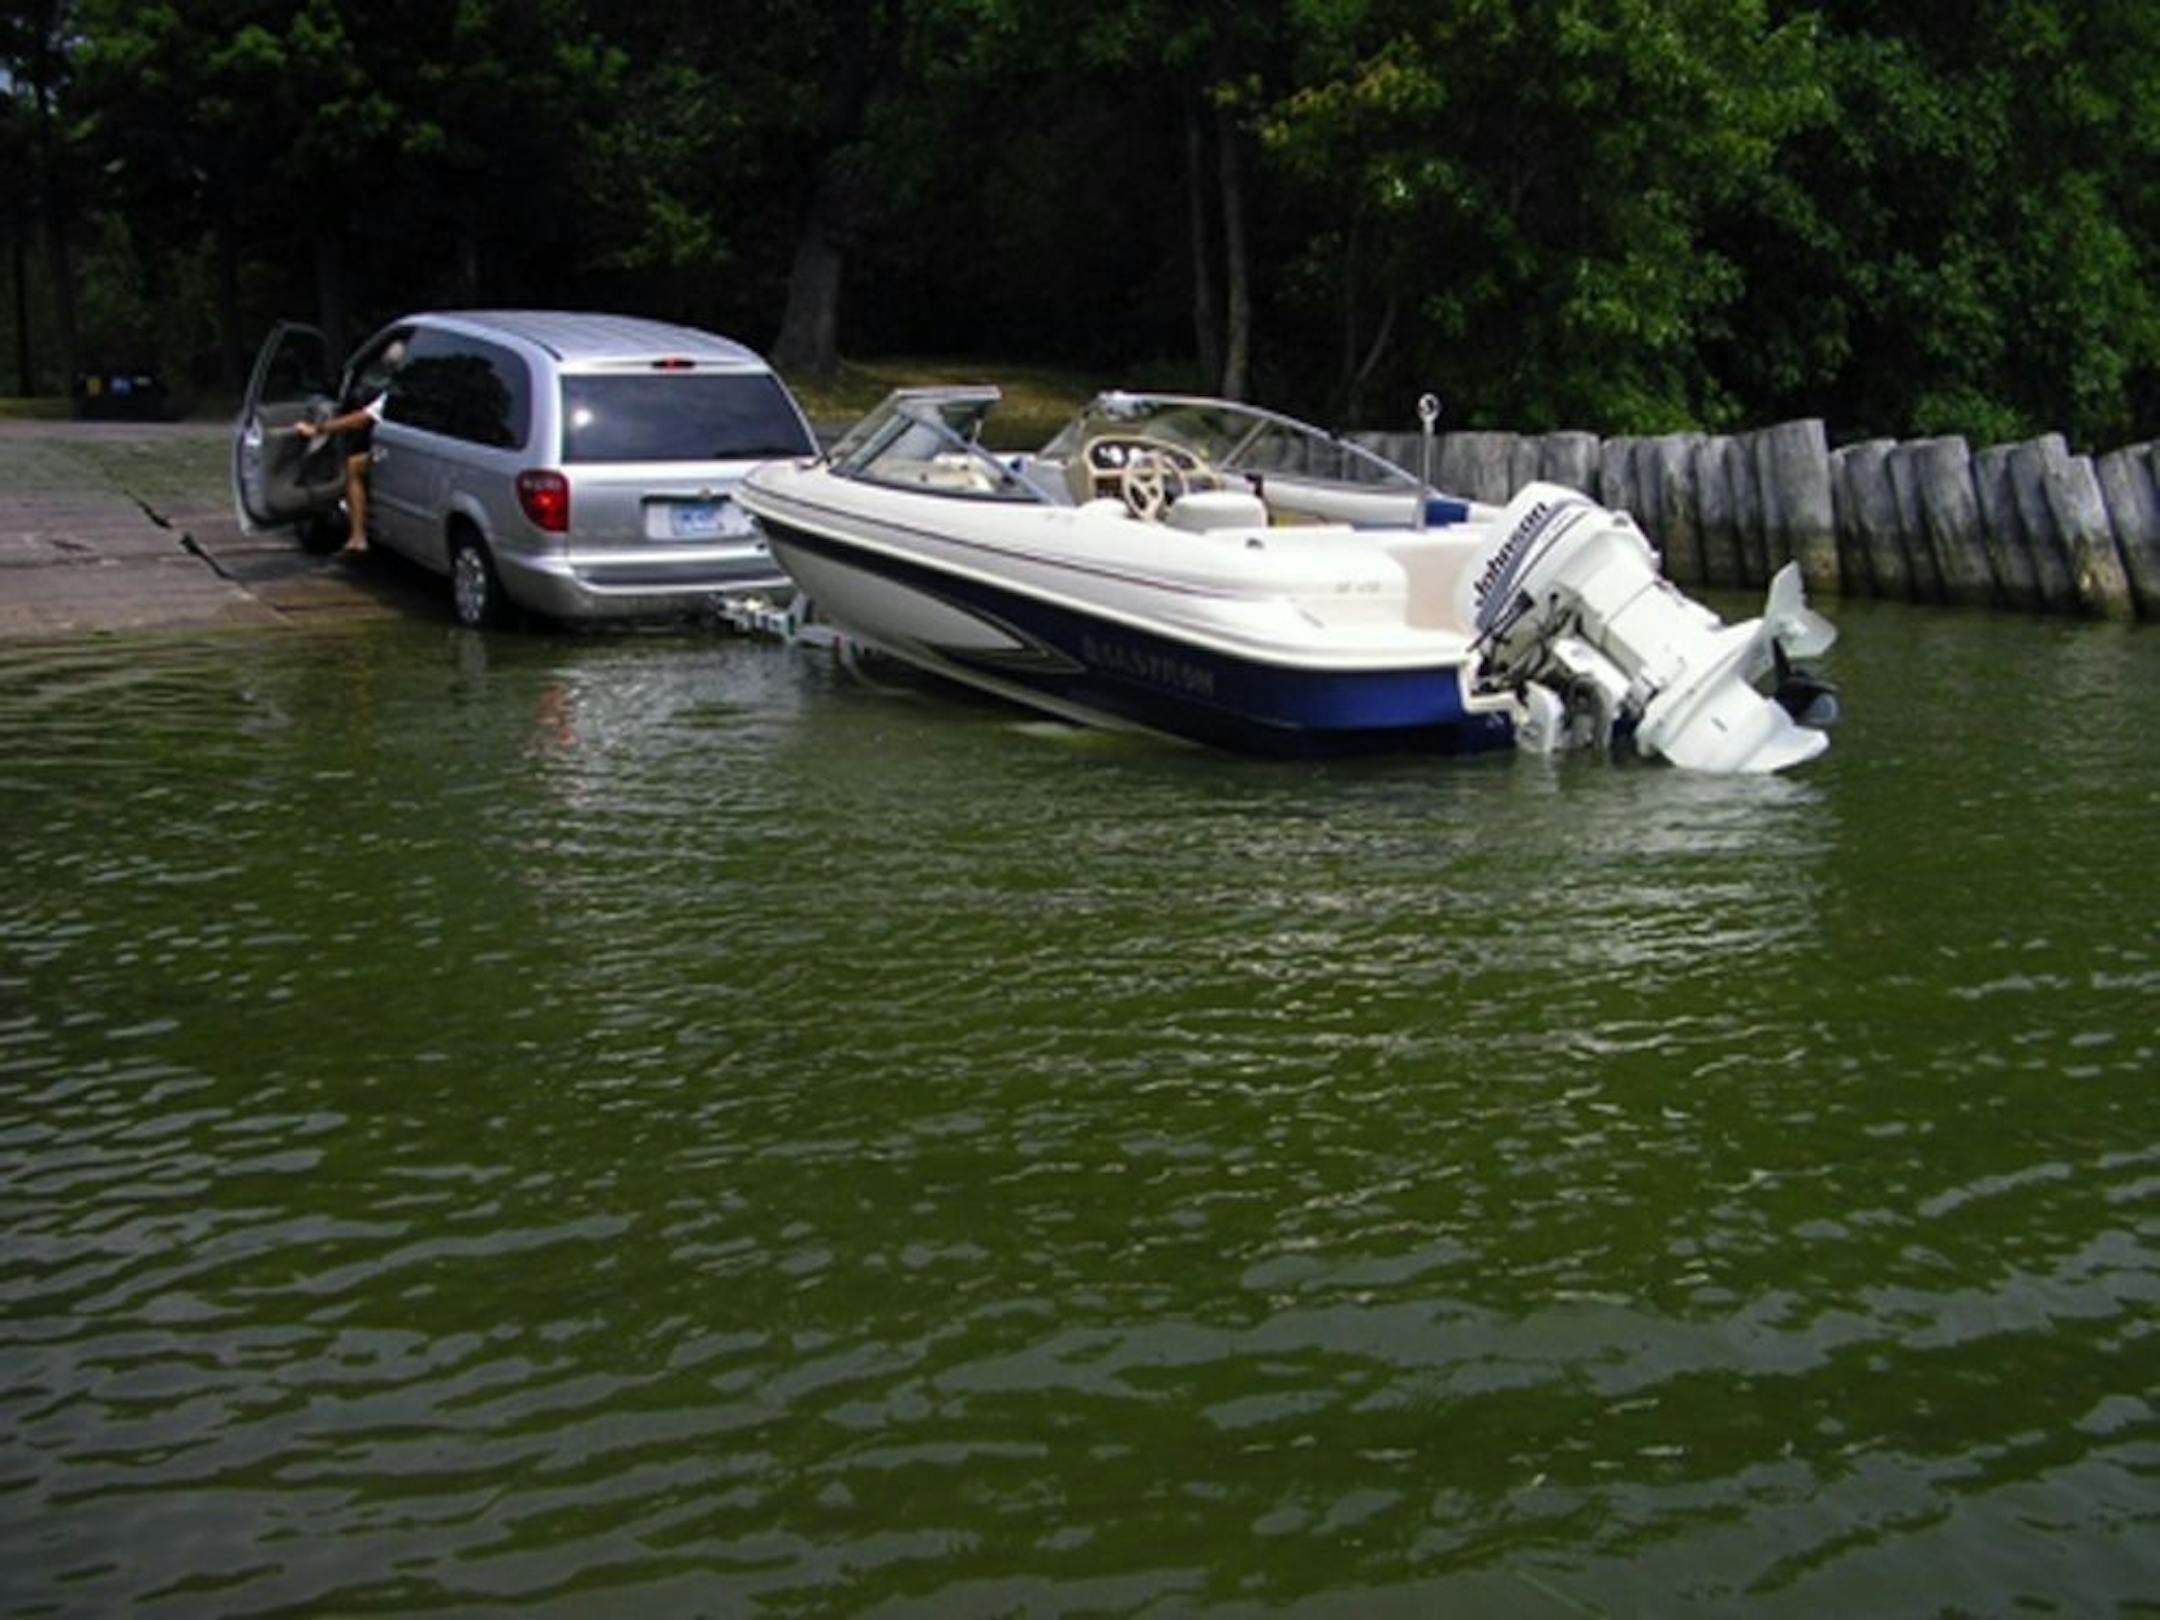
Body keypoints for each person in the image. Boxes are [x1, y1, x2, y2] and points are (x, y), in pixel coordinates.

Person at [294, 339, 405, 554]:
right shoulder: (413, 385)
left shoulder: (394, 392)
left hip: (396, 451)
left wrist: (318, 429)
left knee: (353, 465)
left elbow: (361, 419)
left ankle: (358, 536)